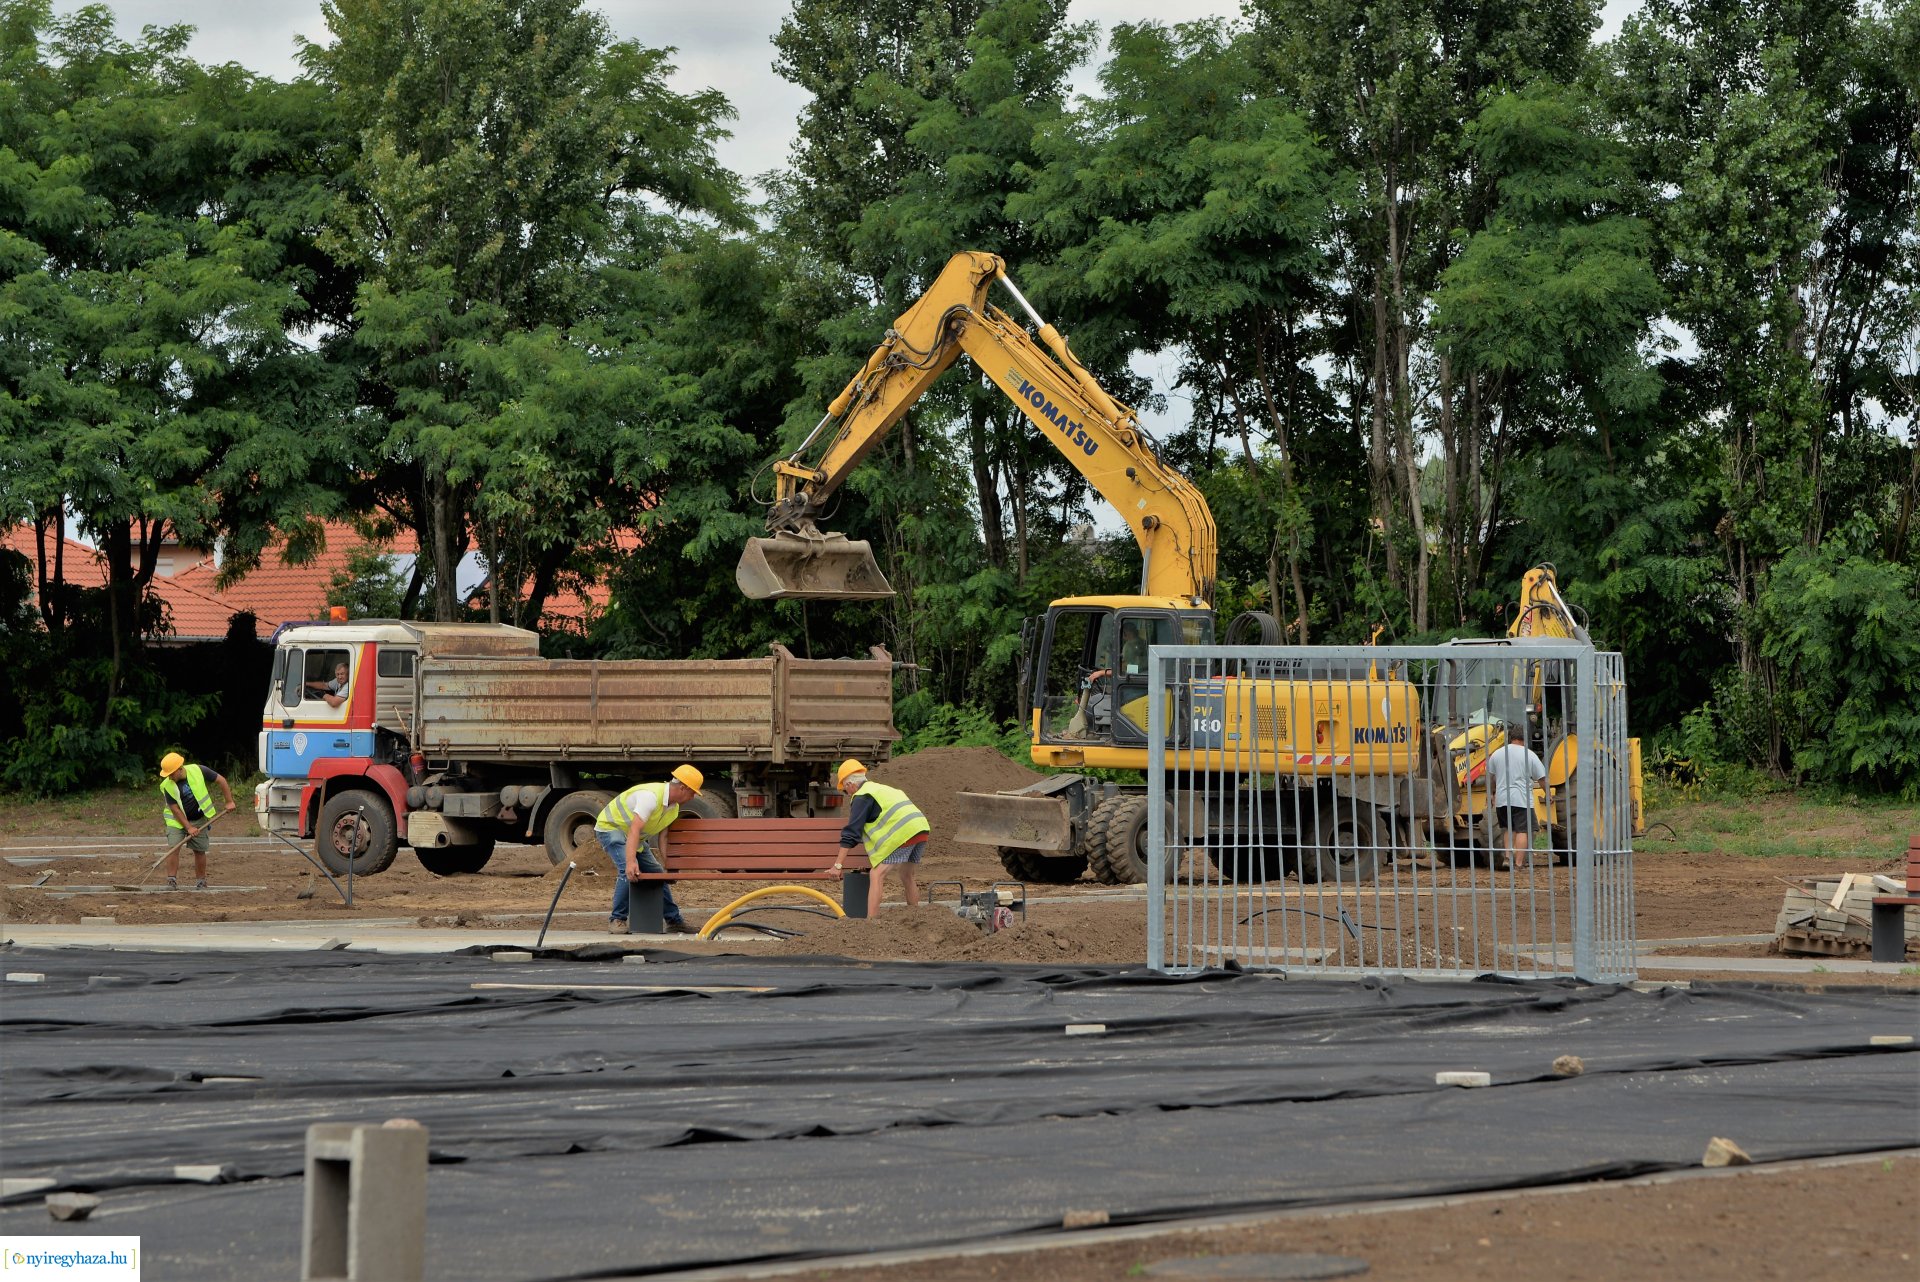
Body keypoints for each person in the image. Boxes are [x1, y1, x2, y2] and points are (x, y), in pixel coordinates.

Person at [597, 765, 704, 934]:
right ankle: (617, 919)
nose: (692, 798)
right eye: (692, 793)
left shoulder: (673, 808)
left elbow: (664, 837)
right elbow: (634, 829)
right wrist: (631, 862)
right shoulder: (651, 797)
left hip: (634, 838)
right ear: (683, 787)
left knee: (656, 873)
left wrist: (668, 865)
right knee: (627, 870)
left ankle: (674, 921)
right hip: (611, 828)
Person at [833, 759, 929, 917]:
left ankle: (872, 924)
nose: (847, 794)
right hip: (920, 828)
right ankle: (915, 916)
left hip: (904, 833)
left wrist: (837, 866)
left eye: (845, 790)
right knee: (906, 874)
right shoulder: (880, 788)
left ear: (849, 784)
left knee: (876, 875)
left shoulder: (861, 796)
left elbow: (852, 833)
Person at [159, 751, 237, 891]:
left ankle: (201, 882)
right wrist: (188, 827)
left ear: (179, 769)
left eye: (171, 773)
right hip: (176, 822)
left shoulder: (198, 770)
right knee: (174, 848)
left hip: (199, 819)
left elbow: (221, 780)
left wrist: (229, 801)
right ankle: (171, 881)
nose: (169, 777)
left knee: (200, 850)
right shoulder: (167, 785)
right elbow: (175, 809)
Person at [1483, 729, 1548, 871]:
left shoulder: (1497, 754)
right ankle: (1518, 864)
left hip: (1502, 799)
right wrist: (1548, 794)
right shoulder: (1529, 755)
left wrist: (1491, 794)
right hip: (1521, 799)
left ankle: (1507, 857)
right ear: (1524, 739)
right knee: (1522, 830)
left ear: (1510, 738)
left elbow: (1490, 777)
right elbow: (1542, 778)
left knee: (1508, 829)